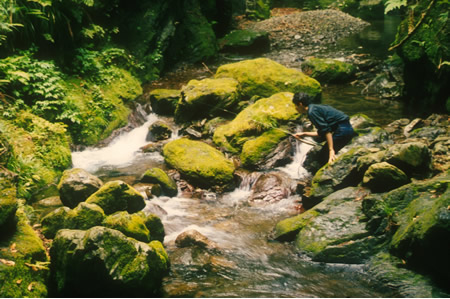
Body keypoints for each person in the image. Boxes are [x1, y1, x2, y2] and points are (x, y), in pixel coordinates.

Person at [292, 92, 355, 164]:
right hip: (347, 128)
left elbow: (326, 131)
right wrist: (303, 134)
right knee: (319, 141)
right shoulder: (315, 107)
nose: (295, 108)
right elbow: (322, 132)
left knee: (323, 156)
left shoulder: (312, 112)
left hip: (343, 130)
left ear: (300, 104)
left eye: (295, 105)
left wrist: (331, 150)